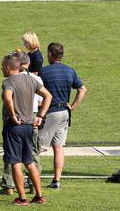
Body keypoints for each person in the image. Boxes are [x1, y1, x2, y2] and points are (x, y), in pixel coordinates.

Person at [0, 54, 52, 205]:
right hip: (29, 127)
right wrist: (40, 116)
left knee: (15, 162)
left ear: (9, 68)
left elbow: (8, 98)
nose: (1, 68)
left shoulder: (8, 82)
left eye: (3, 66)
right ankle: (39, 195)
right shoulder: (31, 80)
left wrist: (12, 115)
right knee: (29, 162)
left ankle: (22, 198)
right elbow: (48, 96)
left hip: (14, 127)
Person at [38, 42, 87, 189]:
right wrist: (72, 107)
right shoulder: (69, 71)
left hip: (51, 113)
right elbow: (82, 90)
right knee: (58, 147)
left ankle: (31, 178)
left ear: (50, 55)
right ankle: (56, 180)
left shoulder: (44, 72)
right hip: (65, 112)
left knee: (36, 146)